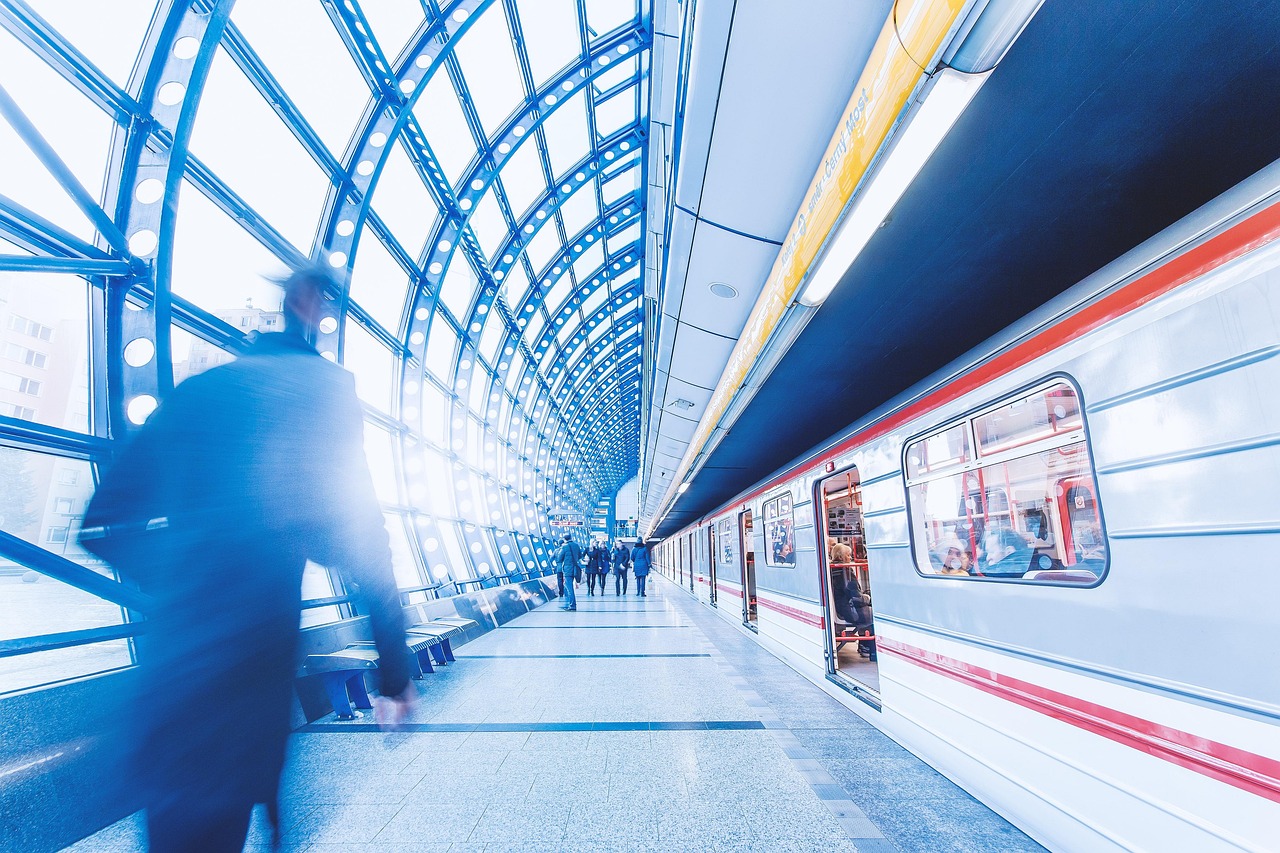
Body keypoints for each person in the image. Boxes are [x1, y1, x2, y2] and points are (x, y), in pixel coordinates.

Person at [79, 266, 413, 853]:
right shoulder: (322, 390)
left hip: (169, 679)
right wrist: (393, 670)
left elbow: (103, 523)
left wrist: (188, 586)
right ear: (310, 307)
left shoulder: (200, 392)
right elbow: (364, 535)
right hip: (246, 682)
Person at [556, 534, 582, 611]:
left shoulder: (564, 547)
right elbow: (580, 556)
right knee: (570, 587)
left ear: (564, 539)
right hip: (575, 568)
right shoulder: (576, 545)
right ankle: (572, 604)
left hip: (567, 570)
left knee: (569, 588)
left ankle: (572, 605)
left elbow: (559, 558)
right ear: (571, 538)